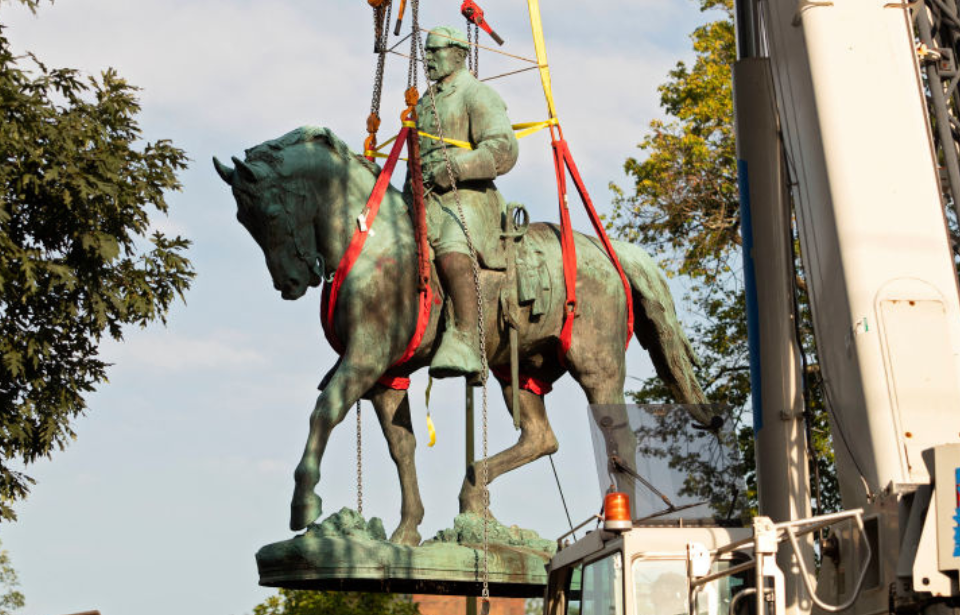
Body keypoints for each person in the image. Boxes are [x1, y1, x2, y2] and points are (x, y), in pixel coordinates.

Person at [411, 25, 519, 381]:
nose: (426, 58)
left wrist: (455, 167)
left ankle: (467, 337)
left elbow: (503, 149)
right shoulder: (425, 102)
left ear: (458, 53)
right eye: (426, 52)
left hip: (469, 198)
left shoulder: (477, 94)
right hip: (426, 198)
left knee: (452, 247)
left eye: (435, 51)